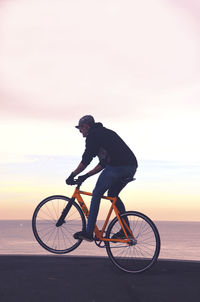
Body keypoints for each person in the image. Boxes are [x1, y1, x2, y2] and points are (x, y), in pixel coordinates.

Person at [66, 115, 138, 242]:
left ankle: (88, 232)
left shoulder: (93, 136)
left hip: (118, 167)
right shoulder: (106, 133)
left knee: (97, 193)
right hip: (131, 167)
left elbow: (86, 159)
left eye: (80, 128)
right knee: (113, 195)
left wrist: (73, 175)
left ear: (87, 126)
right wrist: (86, 176)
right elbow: (104, 163)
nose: (80, 131)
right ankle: (126, 231)